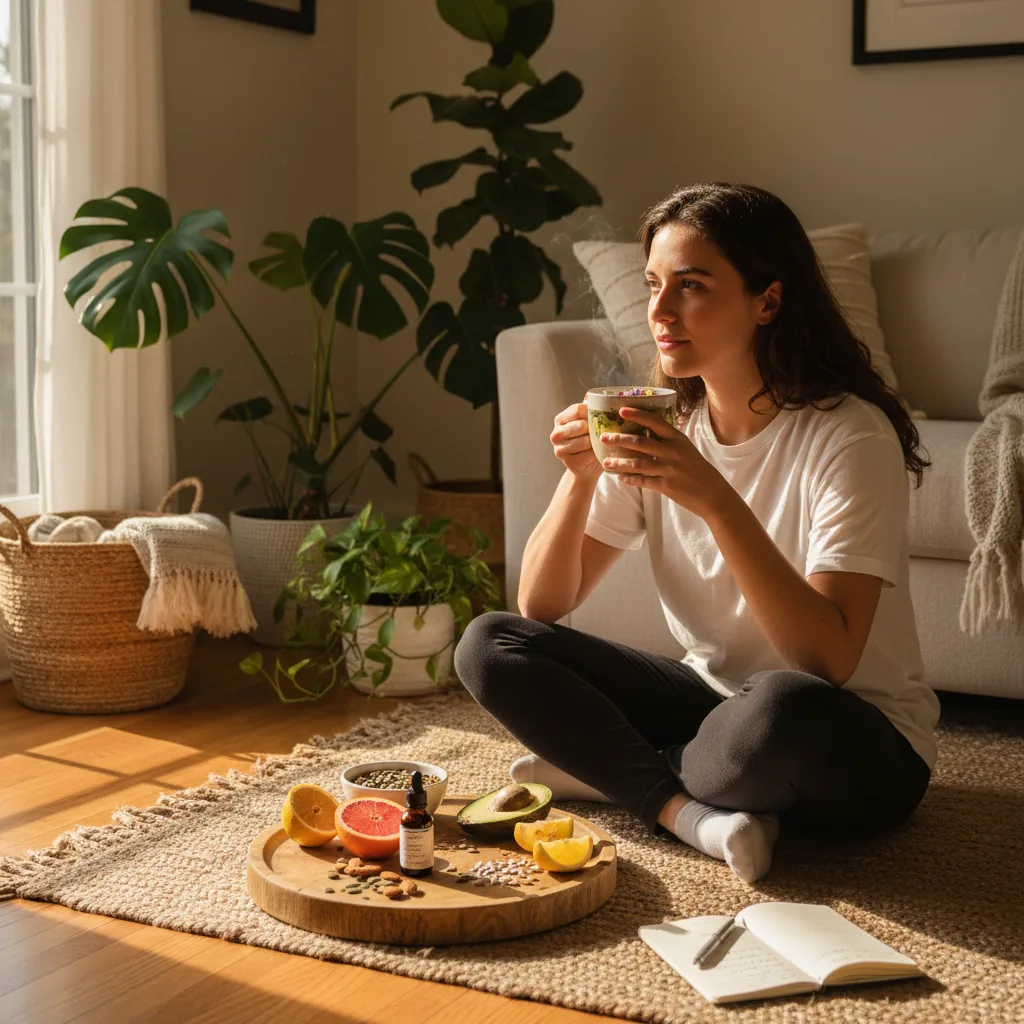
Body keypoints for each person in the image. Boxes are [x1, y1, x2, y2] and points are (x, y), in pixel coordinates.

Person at [453, 181, 940, 884]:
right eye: (654, 284)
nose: (659, 310)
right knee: (489, 643)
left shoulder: (849, 434)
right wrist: (580, 477)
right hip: (713, 706)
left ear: (767, 301)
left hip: (850, 737)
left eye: (691, 285)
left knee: (780, 707)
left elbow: (825, 659)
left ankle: (610, 770)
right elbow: (542, 607)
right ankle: (689, 812)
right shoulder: (663, 428)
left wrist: (716, 498)